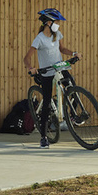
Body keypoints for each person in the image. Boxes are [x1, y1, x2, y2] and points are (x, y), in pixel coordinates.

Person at [25, 8, 75, 149]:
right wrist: (31, 68)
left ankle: (73, 116)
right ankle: (43, 137)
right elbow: (26, 58)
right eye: (56, 21)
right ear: (48, 22)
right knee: (46, 102)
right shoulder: (39, 39)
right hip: (47, 72)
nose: (58, 24)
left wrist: (74, 53)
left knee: (72, 86)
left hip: (60, 67)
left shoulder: (57, 34)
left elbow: (62, 49)